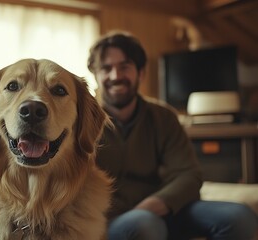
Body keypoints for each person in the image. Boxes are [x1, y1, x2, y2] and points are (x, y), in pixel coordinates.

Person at [87, 30, 258, 240]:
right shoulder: (82, 120)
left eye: (125, 66)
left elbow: (189, 174)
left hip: (164, 209)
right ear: (95, 75)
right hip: (108, 220)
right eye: (106, 68)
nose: (116, 76)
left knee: (240, 217)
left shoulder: (164, 117)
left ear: (141, 73)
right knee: (145, 225)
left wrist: (153, 205)